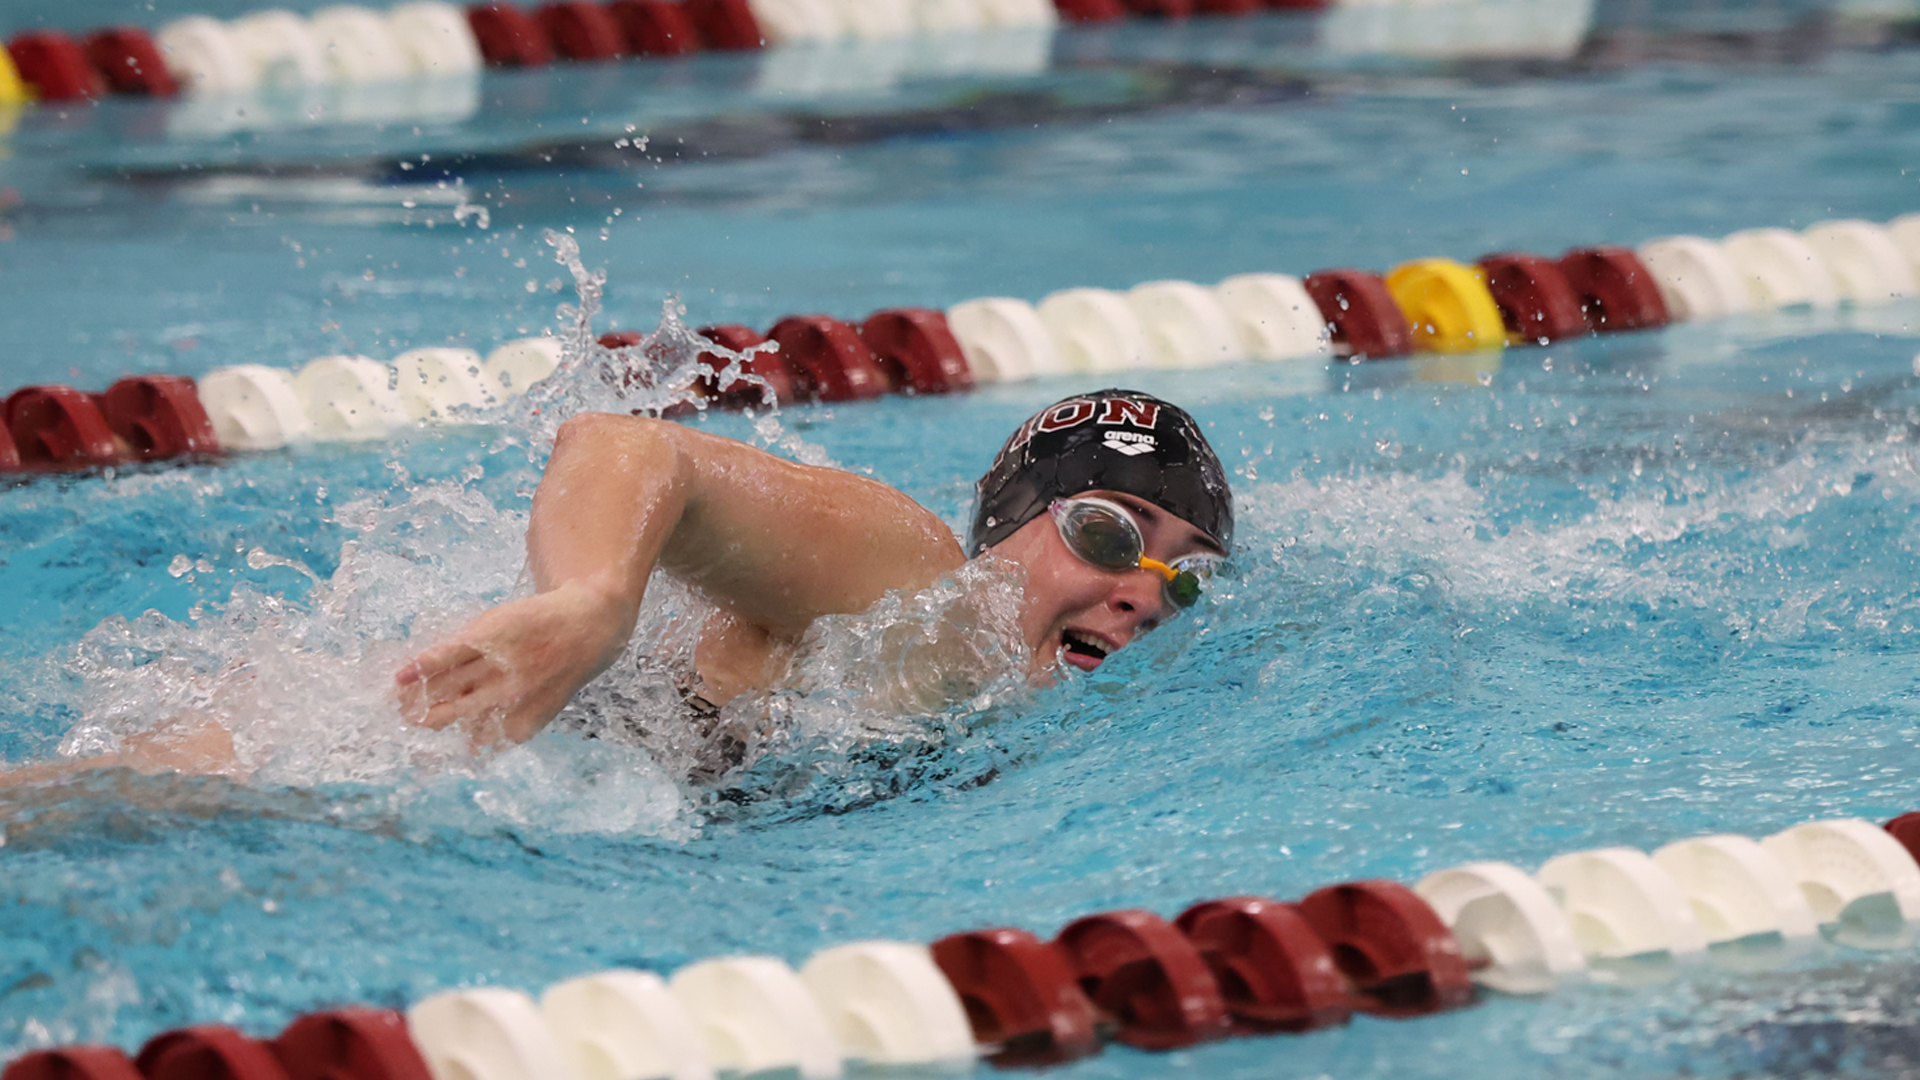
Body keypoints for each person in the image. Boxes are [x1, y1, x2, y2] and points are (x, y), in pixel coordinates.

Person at [7, 388, 1233, 784]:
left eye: (1185, 577)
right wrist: (594, 603)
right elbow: (629, 446)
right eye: (1110, 535)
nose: (1143, 590)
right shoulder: (912, 577)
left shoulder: (1007, 705)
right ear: (1007, 530)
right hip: (407, 738)